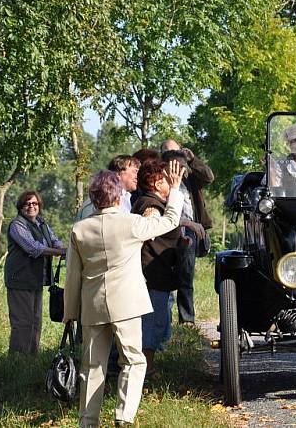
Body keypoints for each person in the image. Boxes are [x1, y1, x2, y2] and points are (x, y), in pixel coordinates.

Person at [63, 163, 185, 428]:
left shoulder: (79, 230)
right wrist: (174, 189)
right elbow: (170, 221)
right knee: (133, 360)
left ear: (94, 198)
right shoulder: (131, 223)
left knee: (92, 368)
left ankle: (87, 422)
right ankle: (124, 417)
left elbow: (72, 276)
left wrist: (70, 313)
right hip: (127, 305)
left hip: (93, 306)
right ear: (118, 197)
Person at [132, 160, 193, 373]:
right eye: (167, 180)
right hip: (152, 275)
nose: (171, 183)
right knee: (150, 325)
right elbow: (151, 227)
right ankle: (146, 370)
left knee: (158, 324)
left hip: (157, 275)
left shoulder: (152, 202)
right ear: (158, 183)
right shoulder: (150, 206)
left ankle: (146, 368)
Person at [160, 139, 214, 326]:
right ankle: (163, 319)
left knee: (185, 275)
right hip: (165, 232)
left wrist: (192, 160)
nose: (174, 158)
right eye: (168, 154)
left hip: (189, 232)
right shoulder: (160, 179)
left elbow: (208, 177)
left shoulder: (190, 177)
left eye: (177, 153)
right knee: (163, 276)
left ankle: (187, 320)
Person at [4, 190, 65, 354]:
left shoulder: (41, 223)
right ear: (21, 206)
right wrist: (60, 252)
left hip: (36, 279)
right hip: (20, 279)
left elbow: (54, 240)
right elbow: (33, 248)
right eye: (27, 203)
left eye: (34, 203)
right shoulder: (17, 225)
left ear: (39, 206)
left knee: (36, 320)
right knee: (22, 321)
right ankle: (17, 358)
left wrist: (65, 249)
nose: (31, 206)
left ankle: (32, 356)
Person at [76, 155, 140, 220]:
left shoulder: (126, 197)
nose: (137, 176)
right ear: (118, 173)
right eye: (135, 171)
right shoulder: (99, 200)